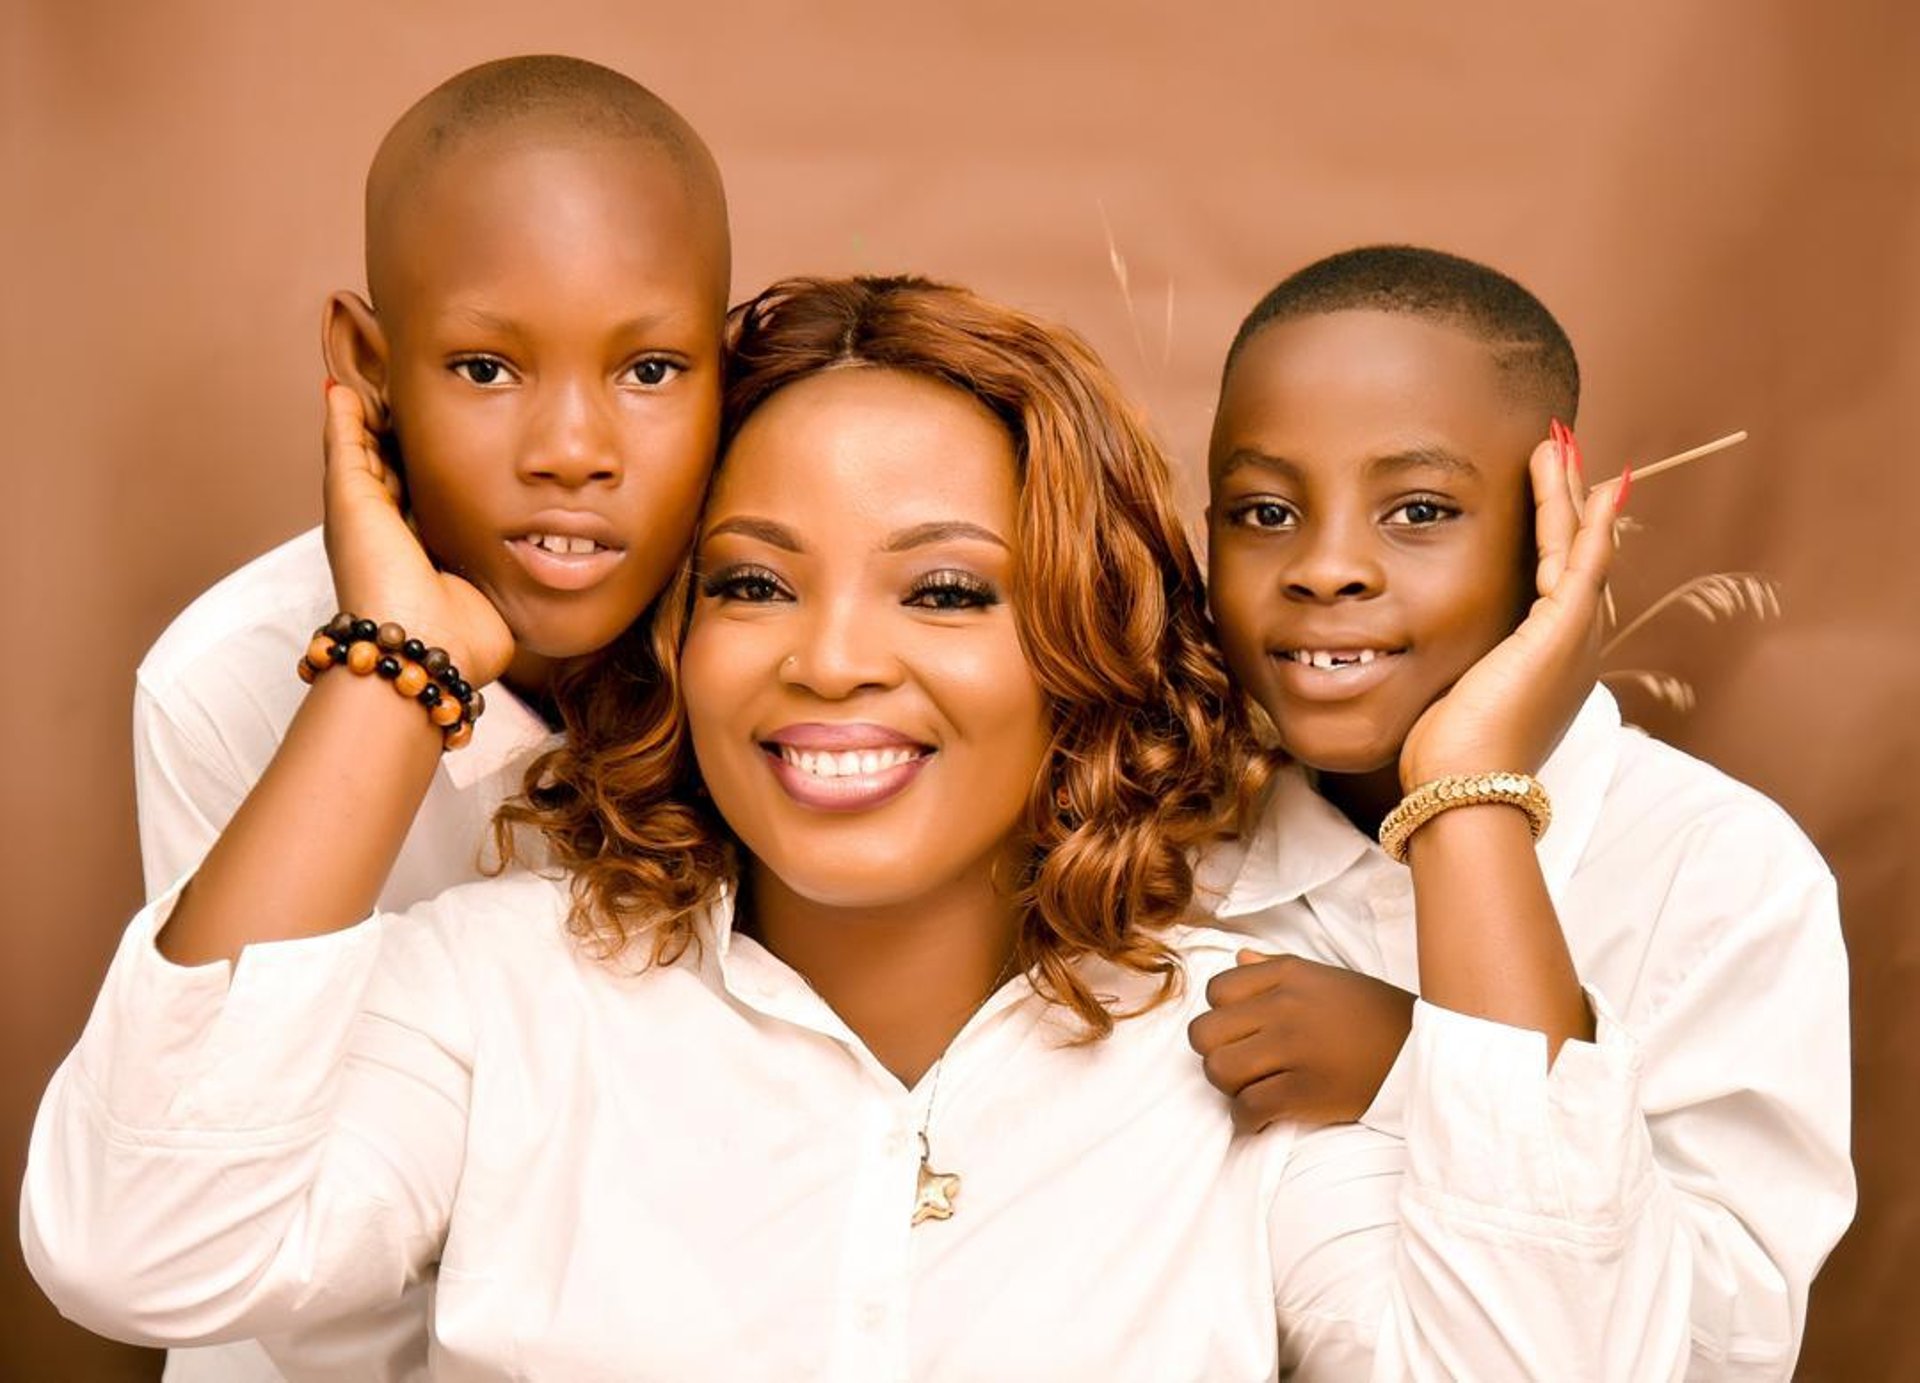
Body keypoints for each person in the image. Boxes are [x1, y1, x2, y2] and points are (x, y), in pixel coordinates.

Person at [29, 274, 1687, 1378]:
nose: (829, 659)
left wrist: (1467, 786)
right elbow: (139, 1252)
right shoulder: (498, 994)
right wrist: (400, 665)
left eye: (945, 590)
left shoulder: (1247, 1050)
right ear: (676, 635)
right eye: (753, 583)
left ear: (1084, 642)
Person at [128, 53, 731, 1383]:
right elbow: (217, 1167)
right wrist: (391, 674)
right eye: (485, 366)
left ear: (723, 373)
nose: (572, 448)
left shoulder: (785, 658)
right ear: (368, 362)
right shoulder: (226, 676)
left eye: (648, 368)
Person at [1190, 244, 1855, 1378]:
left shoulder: (1721, 873)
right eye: (1264, 510)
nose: (1327, 567)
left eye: (1417, 509)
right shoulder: (1158, 868)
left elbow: (1710, 1352)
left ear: (1553, 534)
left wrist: (1417, 1064)